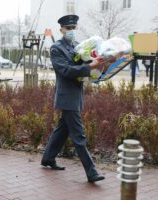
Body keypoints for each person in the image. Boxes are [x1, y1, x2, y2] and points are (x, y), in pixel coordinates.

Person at [41, 15, 107, 183]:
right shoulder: (56, 48)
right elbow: (66, 70)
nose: (71, 31)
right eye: (68, 28)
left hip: (76, 96)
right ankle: (91, 173)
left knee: (63, 129)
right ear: (61, 29)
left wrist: (101, 66)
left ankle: (48, 158)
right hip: (66, 97)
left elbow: (88, 68)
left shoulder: (79, 47)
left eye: (73, 28)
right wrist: (90, 66)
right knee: (79, 135)